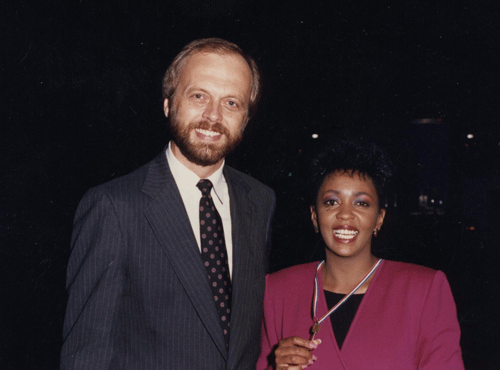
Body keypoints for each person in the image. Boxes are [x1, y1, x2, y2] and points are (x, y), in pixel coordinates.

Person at [61, 38, 276, 370]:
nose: (213, 116)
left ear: (246, 118)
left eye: (231, 102)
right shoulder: (114, 207)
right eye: (198, 96)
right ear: (168, 103)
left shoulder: (259, 200)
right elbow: (87, 355)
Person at [257, 140, 464, 369]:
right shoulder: (278, 290)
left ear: (379, 219)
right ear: (315, 217)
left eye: (361, 203)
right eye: (332, 202)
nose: (345, 214)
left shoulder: (424, 289)